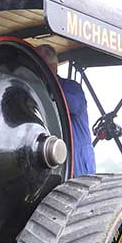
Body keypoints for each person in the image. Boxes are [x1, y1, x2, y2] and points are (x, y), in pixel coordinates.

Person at [36, 44, 97, 176]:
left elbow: (72, 106)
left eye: (39, 65)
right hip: (54, 158)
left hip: (78, 160)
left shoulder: (71, 87)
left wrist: (47, 88)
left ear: (52, 67)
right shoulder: (37, 91)